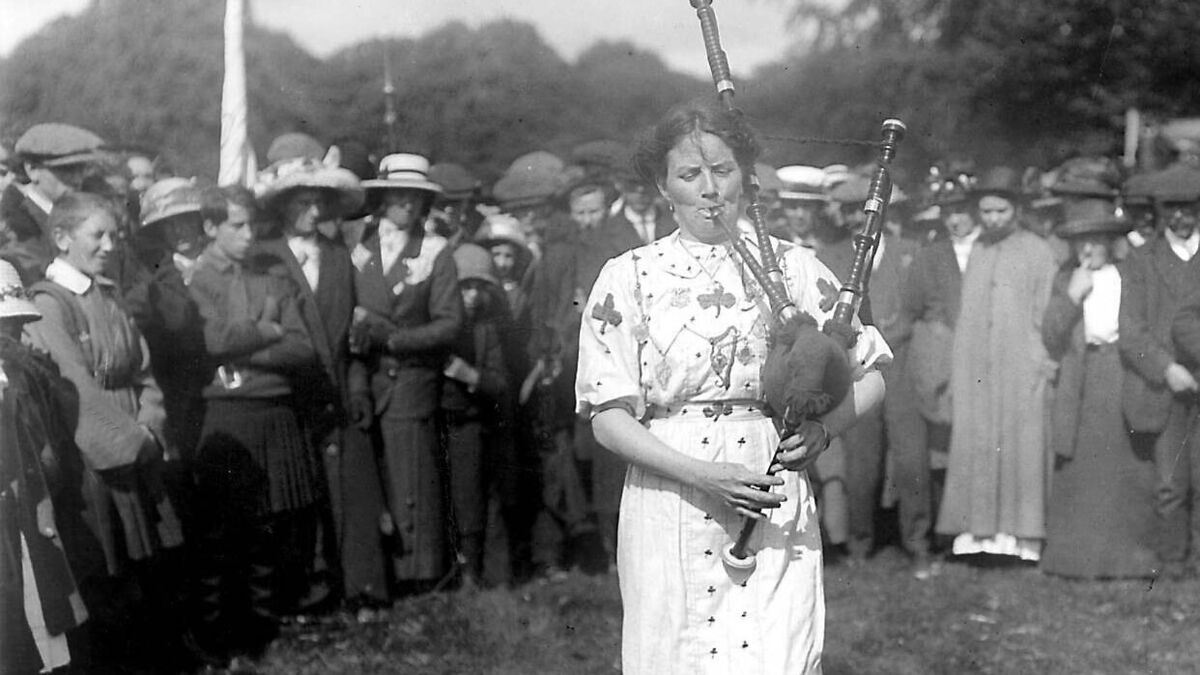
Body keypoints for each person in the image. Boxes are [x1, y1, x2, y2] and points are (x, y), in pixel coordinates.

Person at [576, 98, 888, 674]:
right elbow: (607, 415)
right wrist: (702, 473)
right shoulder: (627, 277)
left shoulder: (794, 269)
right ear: (664, 186)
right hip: (670, 490)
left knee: (777, 651)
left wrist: (823, 431)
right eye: (690, 174)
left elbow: (870, 376)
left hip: (772, 490)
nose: (710, 189)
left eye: (722, 170)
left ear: (745, 175)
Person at [23, 192, 186, 669]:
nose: (111, 245)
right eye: (98, 235)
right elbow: (76, 391)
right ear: (62, 238)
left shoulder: (107, 294)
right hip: (97, 457)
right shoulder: (48, 305)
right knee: (109, 575)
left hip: (139, 439)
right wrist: (136, 442)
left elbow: (144, 371)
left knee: (147, 569)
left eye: (115, 234)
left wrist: (152, 424)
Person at [252, 142, 389, 611]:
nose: (312, 211)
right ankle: (305, 592)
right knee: (296, 495)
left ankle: (360, 587)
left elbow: (351, 325)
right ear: (282, 206)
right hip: (286, 394)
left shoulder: (336, 256)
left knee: (350, 488)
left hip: (337, 388)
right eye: (301, 202)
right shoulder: (264, 256)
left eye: (318, 202)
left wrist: (355, 386)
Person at [187, 185, 318, 662]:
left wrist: (244, 355)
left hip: (272, 410)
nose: (248, 236)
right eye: (235, 226)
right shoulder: (197, 280)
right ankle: (217, 635)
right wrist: (266, 330)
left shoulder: (273, 275)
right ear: (210, 227)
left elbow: (303, 347)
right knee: (223, 530)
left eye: (252, 225)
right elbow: (208, 339)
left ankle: (260, 630)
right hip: (227, 415)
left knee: (269, 525)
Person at [351, 153, 463, 589]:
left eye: (415, 197)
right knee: (370, 474)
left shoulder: (435, 252)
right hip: (364, 375)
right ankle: (375, 571)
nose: (406, 205)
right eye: (398, 196)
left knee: (411, 476)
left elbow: (450, 323)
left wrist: (394, 339)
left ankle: (416, 574)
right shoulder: (358, 245)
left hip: (410, 379)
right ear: (382, 198)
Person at [936, 167, 1058, 562]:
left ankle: (1021, 539)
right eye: (986, 212)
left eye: (1000, 211)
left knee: (1021, 445)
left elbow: (1045, 313)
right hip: (977, 366)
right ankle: (978, 536)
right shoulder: (979, 251)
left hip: (1022, 363)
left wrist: (1040, 359)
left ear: (1017, 210)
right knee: (978, 443)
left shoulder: (1039, 251)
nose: (992, 219)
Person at [1040, 199, 1159, 579]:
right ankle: (1074, 560)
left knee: (1122, 467)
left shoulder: (1129, 275)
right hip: (1082, 374)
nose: (1088, 250)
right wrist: (1072, 296)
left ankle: (1125, 560)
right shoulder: (1067, 277)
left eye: (1095, 241)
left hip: (1121, 371)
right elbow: (1051, 335)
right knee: (1080, 468)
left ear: (1110, 241)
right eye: (1080, 243)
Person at [1, 258, 93, 674]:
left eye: (16, 327)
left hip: (20, 521)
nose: (13, 337)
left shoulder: (17, 384)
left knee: (34, 627)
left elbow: (39, 457)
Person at [1119, 163, 1200, 579]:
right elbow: (1130, 330)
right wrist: (1167, 368)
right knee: (1171, 481)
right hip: (1167, 387)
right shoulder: (1142, 260)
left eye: (1190, 208)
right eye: (1173, 209)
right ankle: (1173, 561)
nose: (1181, 217)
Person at [900, 184, 980, 571]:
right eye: (949, 213)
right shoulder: (929, 256)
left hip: (983, 363)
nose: (956, 219)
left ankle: (971, 536)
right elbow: (911, 309)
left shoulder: (989, 252)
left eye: (962, 211)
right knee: (936, 451)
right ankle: (933, 537)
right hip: (938, 362)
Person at [440, 243, 514, 587]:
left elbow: (499, 381)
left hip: (470, 423)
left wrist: (471, 375)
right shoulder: (437, 325)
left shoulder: (485, 329)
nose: (471, 296)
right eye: (464, 287)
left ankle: (477, 573)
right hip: (436, 420)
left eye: (478, 288)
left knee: (472, 497)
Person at [1, 123, 107, 284]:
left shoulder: (89, 217)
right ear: (32, 170)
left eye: (81, 170)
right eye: (66, 170)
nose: (77, 179)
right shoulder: (17, 225)